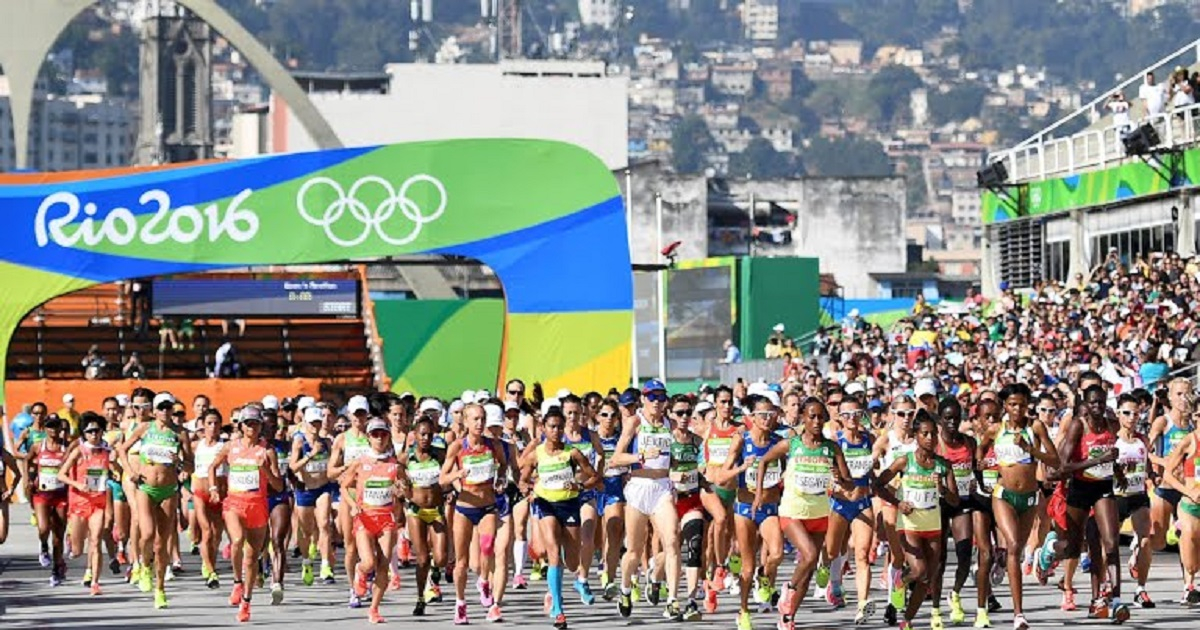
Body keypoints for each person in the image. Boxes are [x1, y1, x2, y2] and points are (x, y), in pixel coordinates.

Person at [876, 410, 961, 630]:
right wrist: (898, 503)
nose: (931, 439)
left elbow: (954, 500)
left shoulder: (943, 465)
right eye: (925, 434)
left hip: (933, 525)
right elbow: (878, 485)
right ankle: (899, 581)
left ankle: (907, 620)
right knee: (919, 571)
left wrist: (941, 488)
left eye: (934, 434)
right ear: (916, 435)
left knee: (927, 578)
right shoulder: (905, 461)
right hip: (909, 525)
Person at [520, 407, 599, 629]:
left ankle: (573, 581)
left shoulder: (572, 453)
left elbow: (594, 477)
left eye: (559, 427)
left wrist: (580, 485)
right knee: (553, 551)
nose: (556, 431)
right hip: (546, 505)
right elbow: (523, 480)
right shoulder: (536, 455)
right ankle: (558, 608)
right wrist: (529, 491)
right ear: (544, 428)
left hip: (569, 505)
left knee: (572, 562)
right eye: (552, 427)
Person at [117, 391, 193, 609]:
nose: (165, 412)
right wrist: (130, 470)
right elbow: (122, 449)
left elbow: (191, 465)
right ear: (154, 410)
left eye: (169, 408)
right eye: (161, 408)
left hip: (168, 490)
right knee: (147, 533)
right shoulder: (144, 428)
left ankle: (160, 589)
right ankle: (143, 566)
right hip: (146, 488)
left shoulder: (180, 433)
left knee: (162, 543)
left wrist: (179, 462)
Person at [210, 405, 283, 622]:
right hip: (234, 503)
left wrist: (266, 470)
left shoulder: (267, 451)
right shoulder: (230, 447)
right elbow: (212, 467)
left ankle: (246, 602)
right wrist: (214, 489)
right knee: (237, 539)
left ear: (261, 426)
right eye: (248, 423)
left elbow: (278, 486)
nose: (251, 427)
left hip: (258, 506)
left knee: (252, 557)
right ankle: (236, 582)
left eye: (255, 423)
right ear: (241, 426)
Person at [440, 403, 508, 625]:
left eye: (482, 419)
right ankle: (460, 604)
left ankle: (483, 581)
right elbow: (442, 479)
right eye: (475, 419)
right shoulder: (457, 447)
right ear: (466, 422)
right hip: (465, 508)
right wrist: (458, 474)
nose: (479, 423)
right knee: (461, 562)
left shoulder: (493, 445)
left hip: (487, 505)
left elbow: (503, 467)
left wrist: (500, 479)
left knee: (488, 546)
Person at [340, 418, 404, 624]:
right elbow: (344, 486)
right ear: (368, 437)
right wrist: (352, 505)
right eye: (375, 434)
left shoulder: (395, 465)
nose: (379, 438)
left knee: (383, 565)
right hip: (365, 519)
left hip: (386, 520)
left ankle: (374, 609)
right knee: (368, 562)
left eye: (383, 434)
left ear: (388, 437)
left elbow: (406, 490)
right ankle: (360, 571)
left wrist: (402, 491)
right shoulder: (360, 462)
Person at [58, 413, 115, 596]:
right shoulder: (79, 451)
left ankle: (95, 583)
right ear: (84, 433)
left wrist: (117, 473)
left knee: (96, 540)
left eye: (97, 430)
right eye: (90, 431)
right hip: (79, 503)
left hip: (98, 502)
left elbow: (114, 469)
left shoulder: (106, 451)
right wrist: (77, 484)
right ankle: (70, 539)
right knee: (77, 550)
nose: (94, 434)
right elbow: (61, 474)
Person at [398, 415, 450, 616]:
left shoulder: (440, 455)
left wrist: (451, 489)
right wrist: (400, 488)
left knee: (442, 558)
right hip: (416, 511)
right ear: (415, 435)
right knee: (421, 560)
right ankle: (420, 597)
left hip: (436, 510)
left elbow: (449, 474)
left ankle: (436, 572)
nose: (426, 438)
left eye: (429, 434)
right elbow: (399, 479)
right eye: (422, 434)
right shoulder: (405, 457)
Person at [290, 405, 337, 587]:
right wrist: (311, 454)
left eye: (318, 422)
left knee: (324, 524)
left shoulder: (326, 442)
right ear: (305, 424)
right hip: (305, 490)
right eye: (312, 423)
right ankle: (307, 562)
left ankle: (325, 566)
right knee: (306, 531)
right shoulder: (299, 442)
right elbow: (293, 468)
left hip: (323, 488)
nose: (316, 426)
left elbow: (333, 463)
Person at [27, 415, 70, 585]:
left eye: (56, 426)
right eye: (49, 426)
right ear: (45, 428)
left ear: (61, 428)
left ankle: (56, 569)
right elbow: (27, 460)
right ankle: (44, 546)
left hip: (60, 494)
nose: (53, 430)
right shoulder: (38, 446)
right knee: (43, 528)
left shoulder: (66, 447)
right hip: (42, 494)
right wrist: (29, 479)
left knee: (59, 534)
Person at [191, 408, 228, 589]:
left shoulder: (225, 445)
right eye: (209, 423)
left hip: (221, 493)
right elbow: (185, 459)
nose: (213, 427)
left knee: (216, 535)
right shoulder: (196, 445)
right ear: (203, 426)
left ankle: (209, 563)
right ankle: (211, 571)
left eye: (216, 423)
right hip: (201, 492)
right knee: (206, 531)